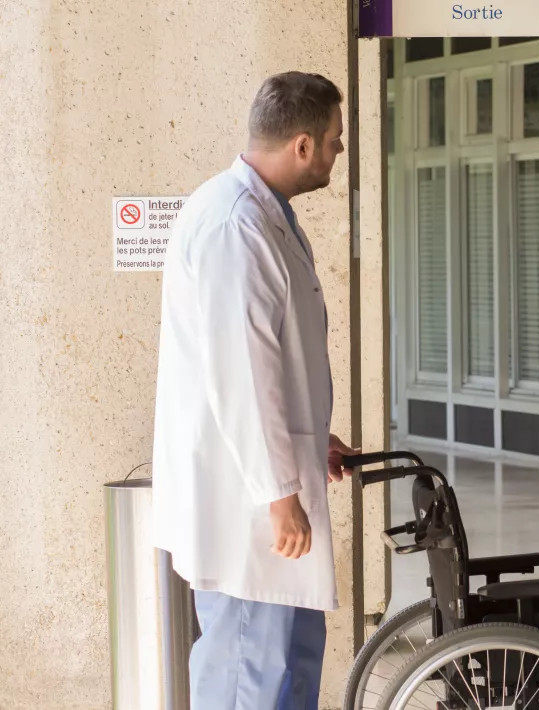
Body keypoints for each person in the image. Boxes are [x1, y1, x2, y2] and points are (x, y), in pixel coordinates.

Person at [151, 72, 357, 710]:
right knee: (249, 674)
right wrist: (277, 492)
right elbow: (240, 374)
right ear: (302, 144)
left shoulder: (265, 216)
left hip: (271, 483)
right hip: (247, 501)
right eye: (335, 139)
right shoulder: (234, 224)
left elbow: (275, 359)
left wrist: (310, 438)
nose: (339, 150)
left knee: (288, 669)